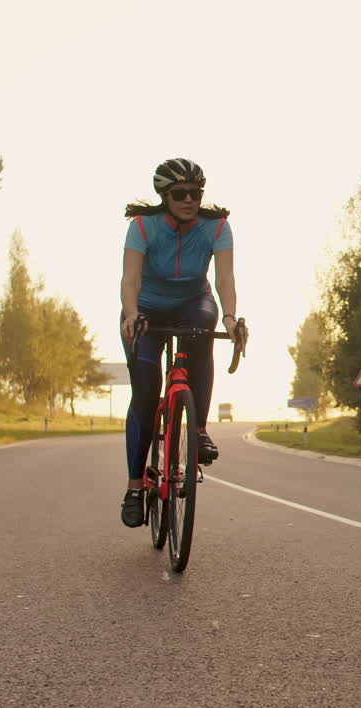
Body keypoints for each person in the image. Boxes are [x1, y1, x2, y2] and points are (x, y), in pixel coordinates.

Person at [118, 157, 239, 527]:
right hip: (147, 309)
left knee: (206, 324)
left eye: (196, 193)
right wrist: (131, 313)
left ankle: (199, 430)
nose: (190, 200)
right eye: (181, 194)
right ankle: (136, 487)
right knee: (144, 391)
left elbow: (225, 280)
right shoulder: (142, 226)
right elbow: (130, 280)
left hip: (192, 304)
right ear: (164, 196)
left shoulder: (216, 227)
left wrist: (232, 318)